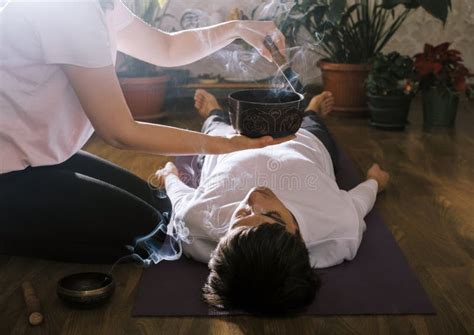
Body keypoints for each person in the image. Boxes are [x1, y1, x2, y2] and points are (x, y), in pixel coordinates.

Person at [0, 0, 292, 263]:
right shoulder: (68, 9)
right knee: (148, 237)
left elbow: (167, 48)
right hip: (7, 172)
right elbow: (120, 133)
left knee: (162, 206)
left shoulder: (99, 5)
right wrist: (224, 144)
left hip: (38, 159)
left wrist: (237, 28)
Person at [155, 89, 390, 314]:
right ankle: (311, 112)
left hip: (226, 145)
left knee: (215, 129)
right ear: (299, 235)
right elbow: (359, 202)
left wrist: (169, 177)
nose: (255, 197)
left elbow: (180, 199)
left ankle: (214, 112)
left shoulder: (196, 226)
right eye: (273, 216)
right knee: (312, 127)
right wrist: (375, 182)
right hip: (302, 143)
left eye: (241, 217)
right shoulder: (338, 227)